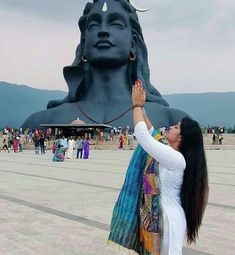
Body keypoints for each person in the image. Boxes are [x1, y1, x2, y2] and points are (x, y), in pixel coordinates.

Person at [22, 0, 187, 130]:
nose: (103, 31)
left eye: (116, 23)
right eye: (93, 25)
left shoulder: (173, 120)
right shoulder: (41, 121)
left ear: (133, 43)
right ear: (84, 42)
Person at [108, 80, 209, 255]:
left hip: (168, 221)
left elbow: (142, 135)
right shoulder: (169, 153)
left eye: (177, 127)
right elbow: (152, 132)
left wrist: (137, 106)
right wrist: (143, 109)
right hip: (161, 218)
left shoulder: (176, 158)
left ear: (182, 139)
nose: (170, 127)